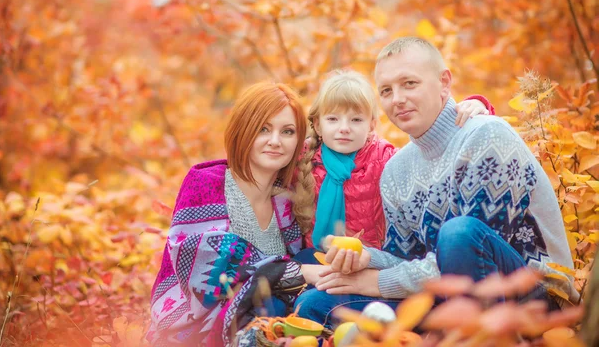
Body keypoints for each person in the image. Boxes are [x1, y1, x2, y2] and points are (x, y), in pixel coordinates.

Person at [295, 37, 578, 326]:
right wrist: (369, 260)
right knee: (316, 304)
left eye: (410, 84)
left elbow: (470, 256)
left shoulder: (485, 136)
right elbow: (408, 263)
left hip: (533, 296)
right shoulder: (396, 171)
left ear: (444, 82)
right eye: (386, 90)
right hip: (445, 296)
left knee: (458, 234)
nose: (398, 99)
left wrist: (377, 282)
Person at [148, 83, 322, 347]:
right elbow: (203, 264)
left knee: (313, 264)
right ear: (243, 131)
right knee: (270, 299)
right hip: (198, 328)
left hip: (271, 321)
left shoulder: (286, 201)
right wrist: (298, 271)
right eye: (263, 129)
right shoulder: (206, 182)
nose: (275, 141)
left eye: (287, 132)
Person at [292, 70, 493, 253]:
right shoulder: (303, 157)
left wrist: (479, 105)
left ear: (371, 125)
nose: (344, 128)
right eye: (333, 119)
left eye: (356, 120)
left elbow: (437, 153)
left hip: (371, 259)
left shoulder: (383, 157)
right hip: (317, 257)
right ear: (318, 125)